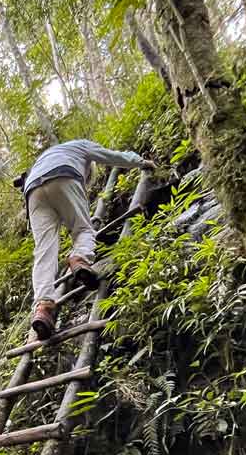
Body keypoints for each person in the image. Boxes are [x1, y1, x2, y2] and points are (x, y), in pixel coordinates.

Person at [21, 139, 155, 340]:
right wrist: (140, 162)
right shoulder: (81, 145)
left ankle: (43, 306)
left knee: (44, 250)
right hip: (64, 174)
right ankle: (79, 258)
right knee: (83, 229)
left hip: (32, 190)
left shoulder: (47, 156)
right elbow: (112, 157)